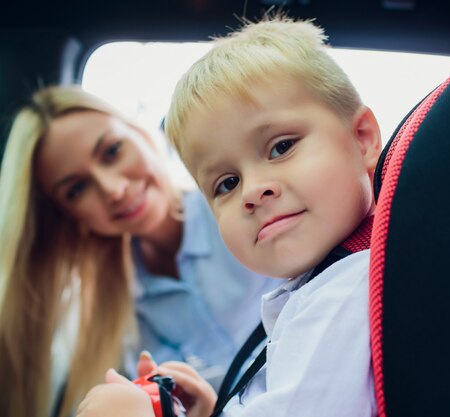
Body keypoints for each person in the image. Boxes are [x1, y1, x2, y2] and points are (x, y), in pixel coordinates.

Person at [76, 14, 382, 417]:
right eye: (227, 183)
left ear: (361, 139)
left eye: (281, 147)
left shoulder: (346, 289)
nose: (253, 191)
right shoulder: (318, 287)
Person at [0, 85, 279, 417]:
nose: (114, 189)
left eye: (113, 151)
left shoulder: (246, 206)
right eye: (77, 188)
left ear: (142, 134)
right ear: (69, 216)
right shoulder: (117, 309)